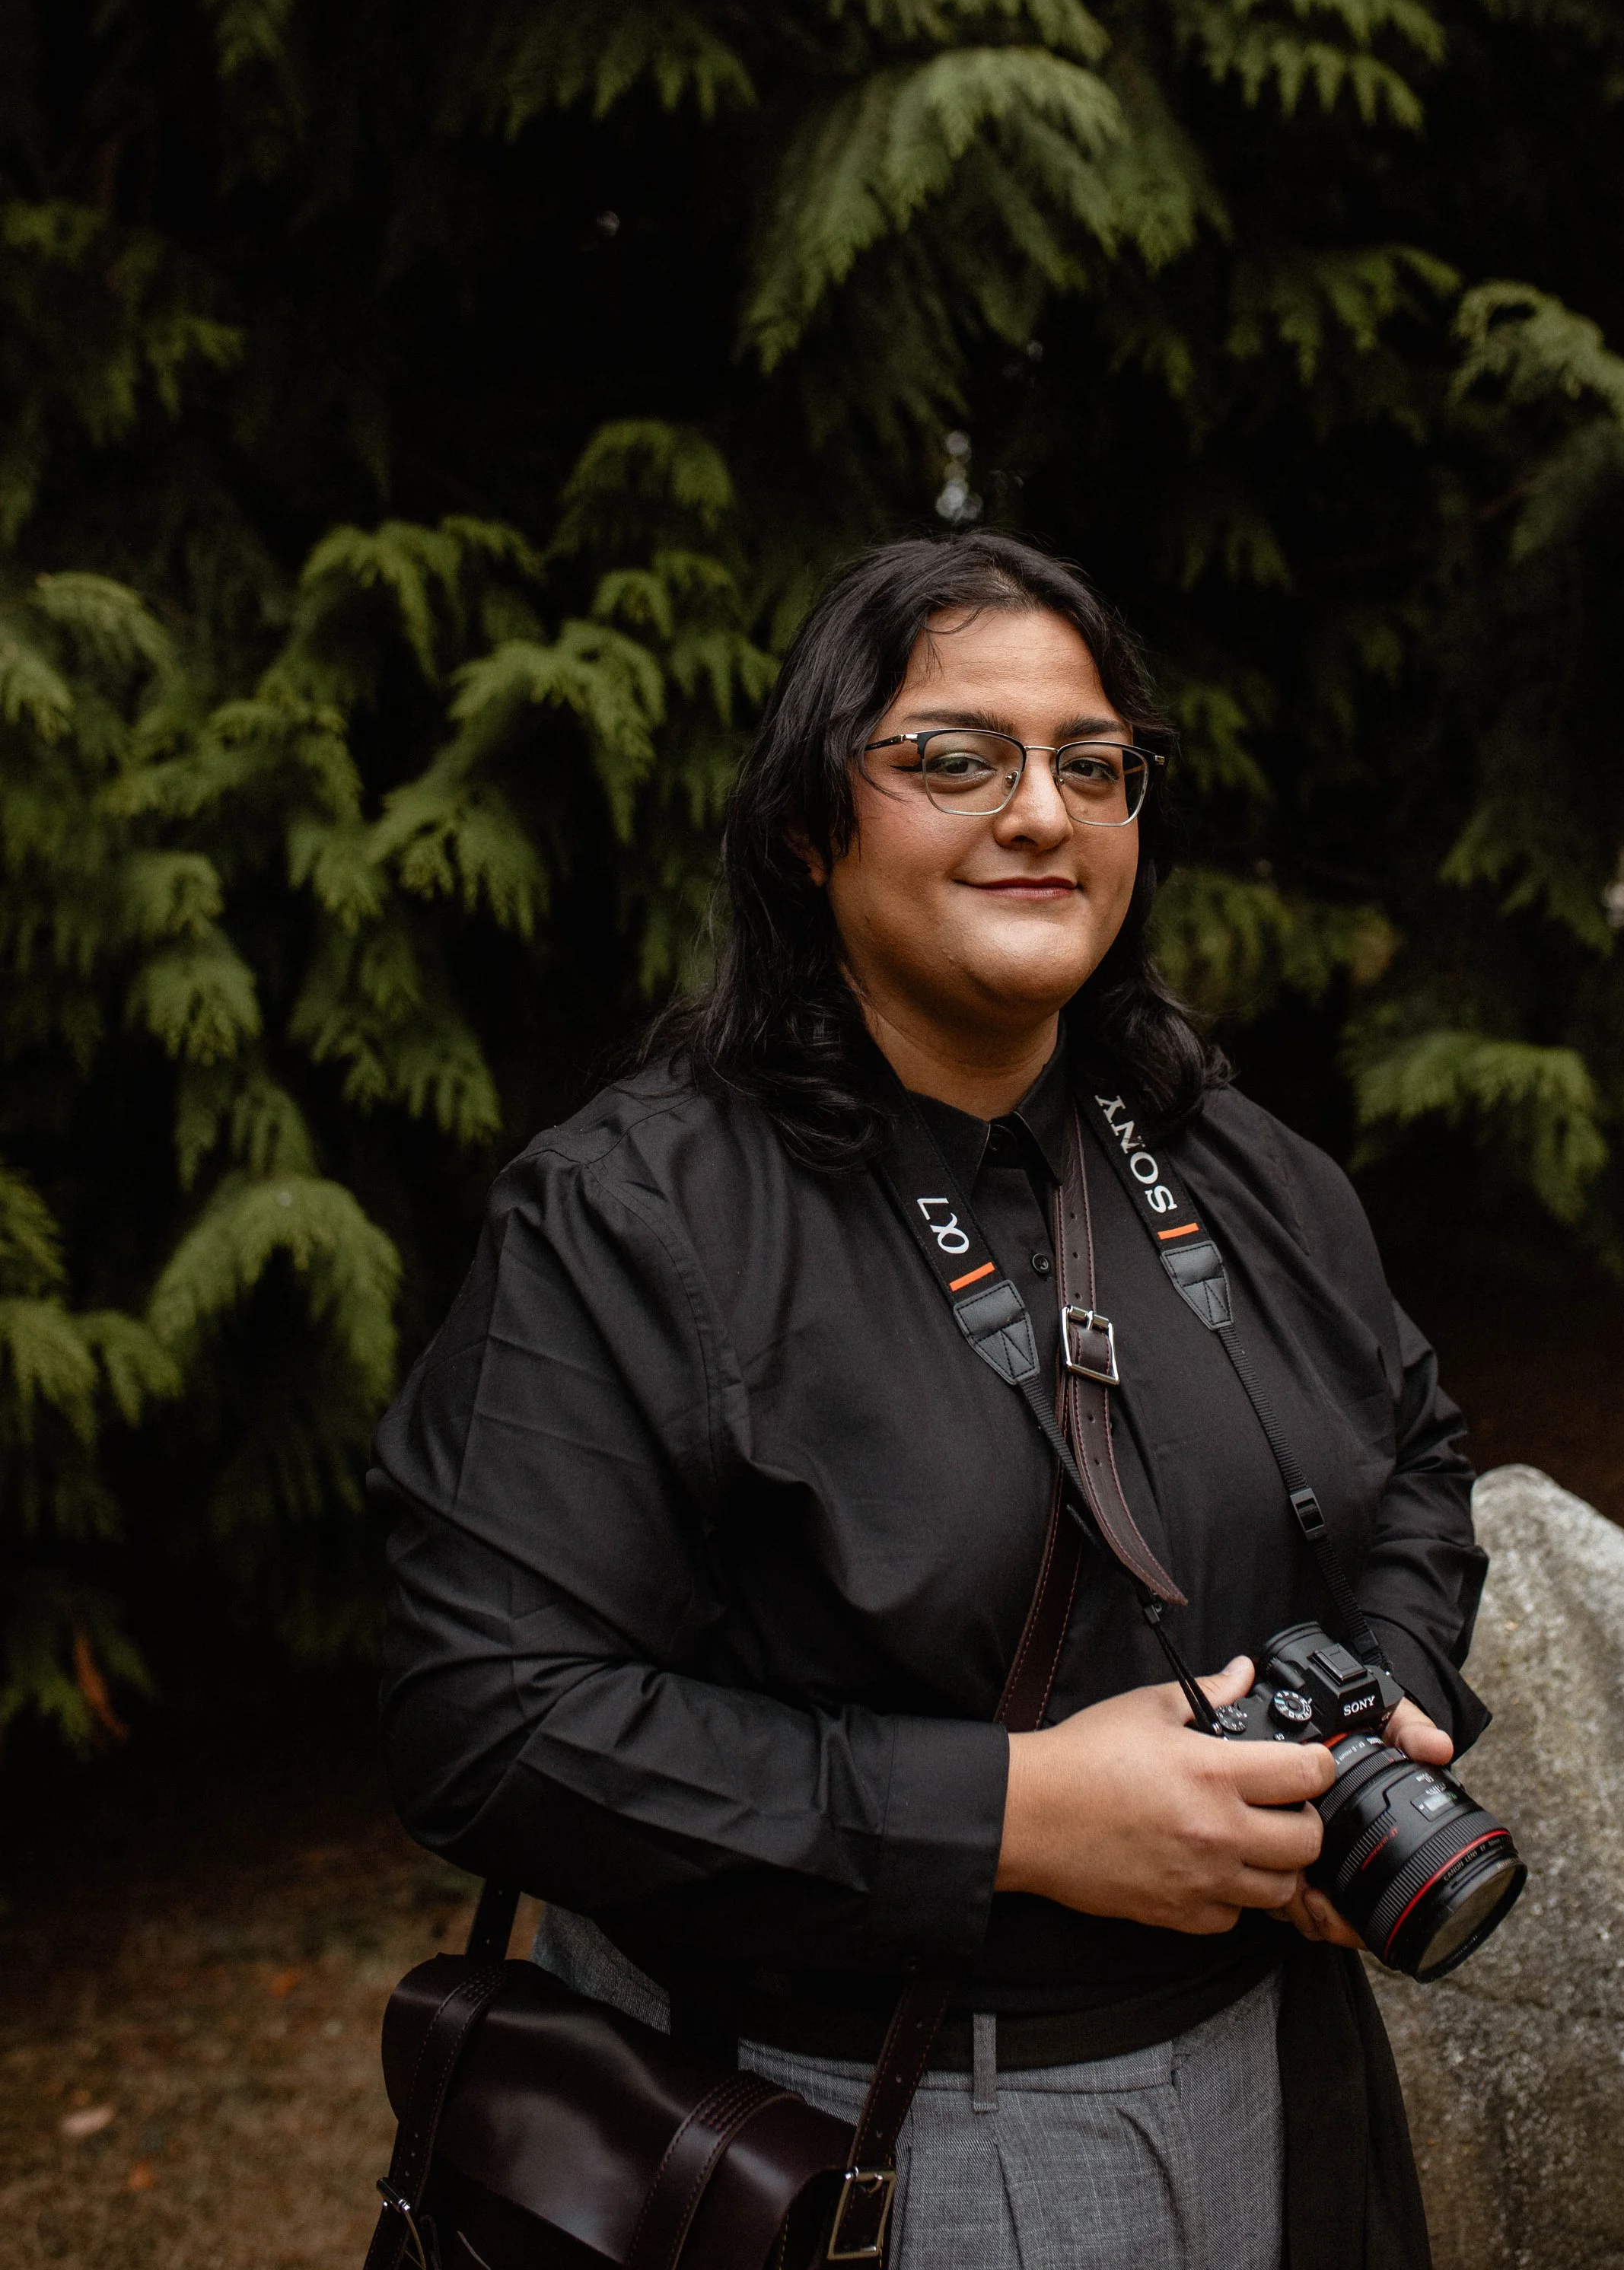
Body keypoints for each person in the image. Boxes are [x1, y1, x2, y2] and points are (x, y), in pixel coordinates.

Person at [375, 533, 1490, 2270]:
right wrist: (1008, 1818)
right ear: (813, 827)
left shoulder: (1235, 1165)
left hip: (1281, 2079)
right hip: (879, 2129)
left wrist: (1367, 1724)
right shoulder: (635, 1214)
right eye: (954, 757)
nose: (1040, 811)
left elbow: (1416, 1456)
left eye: (1092, 763)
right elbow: (490, 1716)